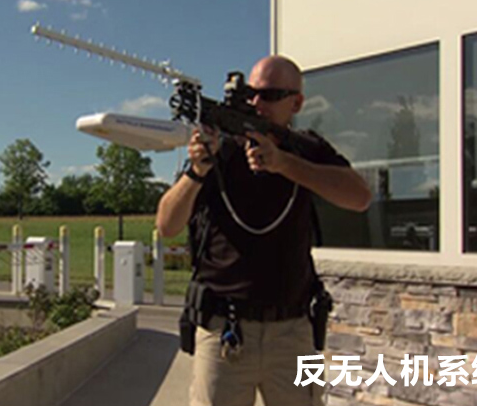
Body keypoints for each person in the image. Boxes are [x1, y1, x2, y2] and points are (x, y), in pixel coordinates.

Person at [155, 55, 372, 406]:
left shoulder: (306, 148)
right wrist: (197, 171)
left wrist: (284, 163)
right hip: (224, 329)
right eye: (251, 93)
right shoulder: (220, 149)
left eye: (270, 95)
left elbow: (359, 197)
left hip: (293, 330)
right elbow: (167, 225)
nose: (256, 103)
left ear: (296, 103)